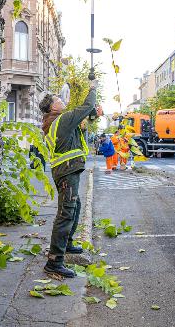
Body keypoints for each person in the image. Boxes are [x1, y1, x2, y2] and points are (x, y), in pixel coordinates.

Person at [40, 80, 102, 278]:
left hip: (66, 171)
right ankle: (54, 261)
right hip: (66, 172)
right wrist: (92, 89)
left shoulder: (58, 122)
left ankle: (66, 244)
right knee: (66, 213)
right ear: (53, 106)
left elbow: (81, 127)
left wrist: (92, 116)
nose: (61, 99)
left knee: (75, 207)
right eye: (58, 98)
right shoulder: (62, 120)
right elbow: (86, 107)